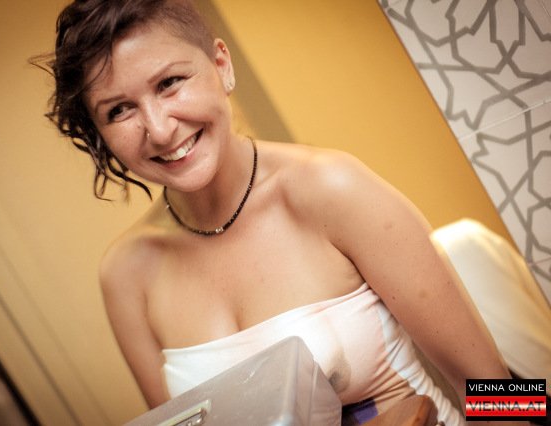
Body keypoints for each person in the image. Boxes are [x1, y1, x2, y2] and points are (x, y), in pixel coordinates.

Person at [42, 1, 519, 424]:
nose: (160, 129)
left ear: (221, 65)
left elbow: (500, 388)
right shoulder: (126, 274)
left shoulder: (333, 189)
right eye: (120, 110)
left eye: (169, 83)